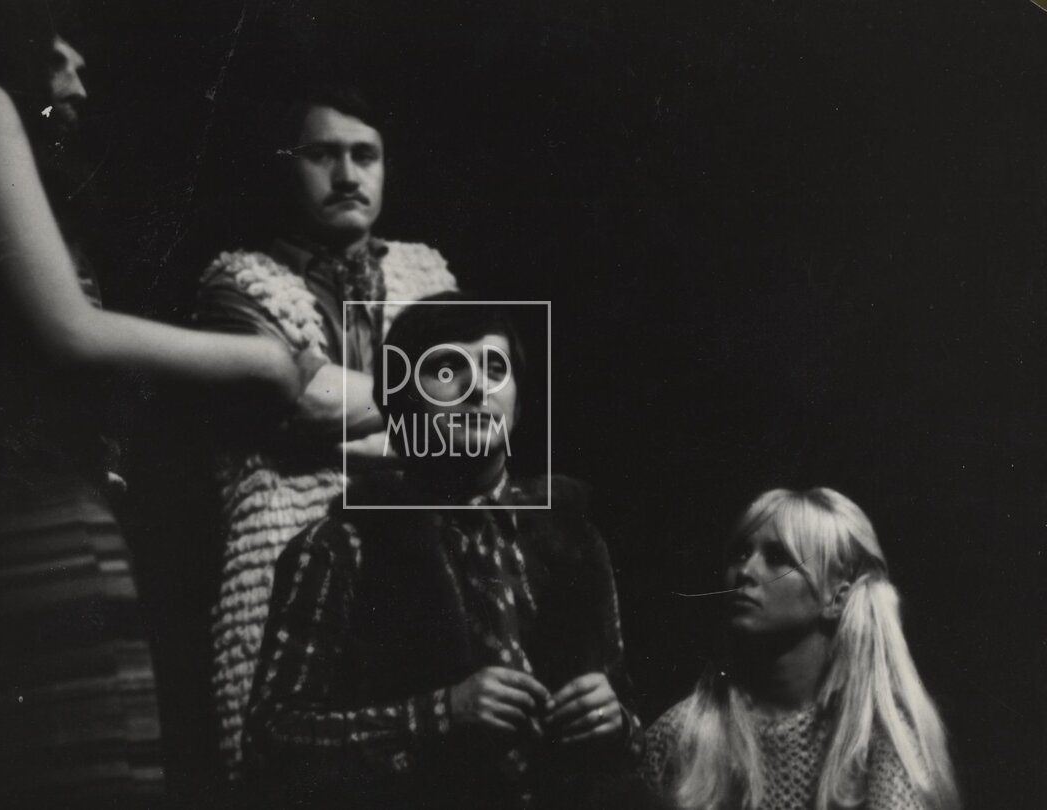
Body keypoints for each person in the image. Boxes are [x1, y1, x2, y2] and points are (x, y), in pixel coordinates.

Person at [0, 2, 302, 807]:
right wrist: (266, 360)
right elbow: (71, 331)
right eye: (60, 48)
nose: (79, 73)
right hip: (20, 527)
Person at [240, 295, 649, 809]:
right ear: (399, 401)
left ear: (518, 405)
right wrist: (440, 715)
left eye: (495, 369)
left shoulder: (575, 542)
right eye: (447, 369)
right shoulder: (338, 548)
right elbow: (269, 745)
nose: (478, 387)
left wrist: (617, 725)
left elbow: (633, 740)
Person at [193, 85, 457, 778]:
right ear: (287, 164)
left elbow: (470, 414)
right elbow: (302, 402)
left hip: (422, 565)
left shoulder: (428, 275)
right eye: (322, 154)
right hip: (285, 567)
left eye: (364, 155)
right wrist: (424, 410)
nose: (346, 175)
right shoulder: (238, 285)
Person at [641, 488, 960, 810]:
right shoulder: (678, 735)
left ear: (836, 598)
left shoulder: (877, 739)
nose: (745, 571)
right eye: (740, 553)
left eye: (776, 557)